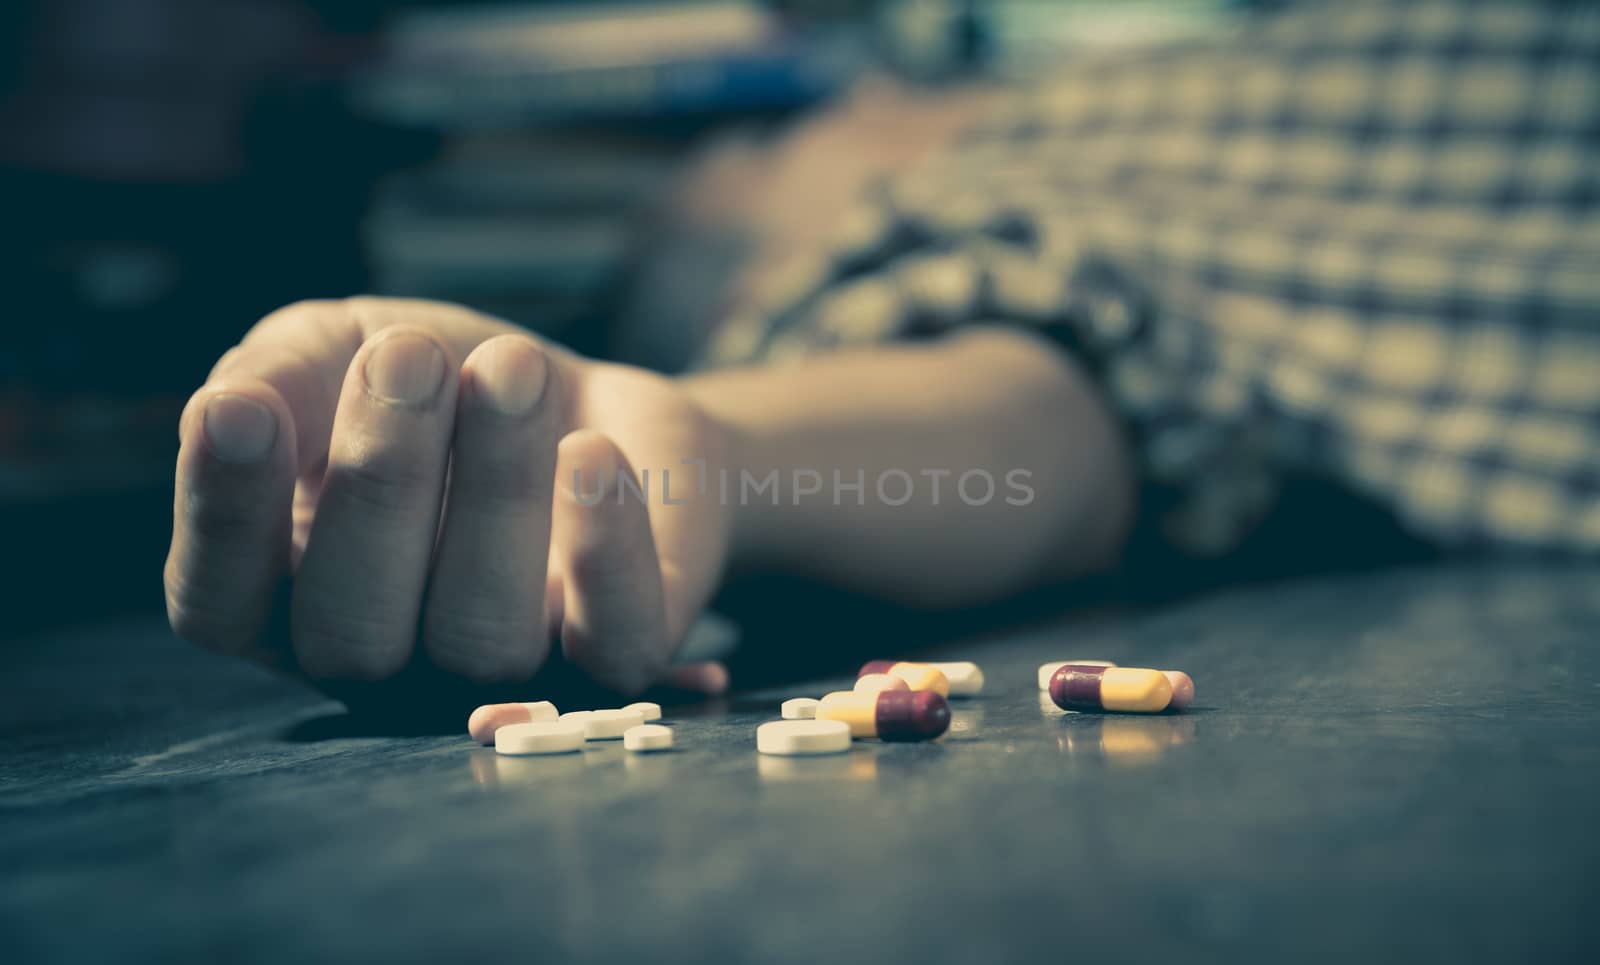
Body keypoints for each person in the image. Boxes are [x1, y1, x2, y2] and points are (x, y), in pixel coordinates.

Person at [164, 0, 1600, 702]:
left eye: (742, 150)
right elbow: (1046, 387)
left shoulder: (1182, 79)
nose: (734, 173)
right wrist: (717, 441)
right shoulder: (1016, 209)